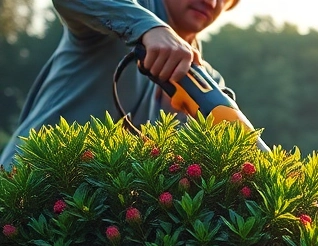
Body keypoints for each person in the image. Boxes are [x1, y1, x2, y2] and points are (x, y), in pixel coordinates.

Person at [0, 0, 238, 167]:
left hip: (90, 230)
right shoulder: (122, 7)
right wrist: (149, 27)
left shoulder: (212, 85)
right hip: (22, 202)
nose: (211, 1)